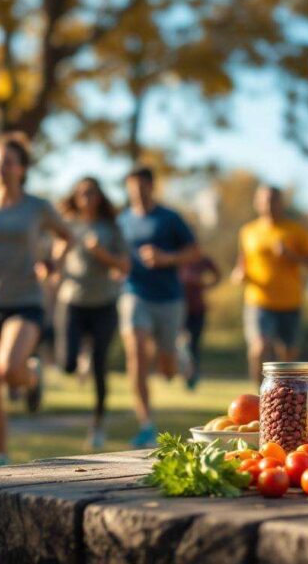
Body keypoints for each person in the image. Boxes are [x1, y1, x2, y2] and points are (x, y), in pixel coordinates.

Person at [0, 133, 73, 466]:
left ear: (21, 168)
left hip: (25, 300)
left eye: (7, 162)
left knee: (8, 369)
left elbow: (67, 236)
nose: (0, 168)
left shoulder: (38, 207)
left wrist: (54, 263)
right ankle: (1, 456)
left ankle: (31, 377)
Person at [118, 166, 200, 448]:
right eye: (132, 185)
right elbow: (116, 255)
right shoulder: (122, 220)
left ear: (152, 187)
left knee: (166, 370)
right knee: (136, 353)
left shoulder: (169, 218)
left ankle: (182, 361)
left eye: (143, 185)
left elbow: (195, 251)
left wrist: (166, 258)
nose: (137, 191)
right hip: (134, 293)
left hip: (168, 297)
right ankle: (146, 425)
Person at [54, 176, 130, 451]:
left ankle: (97, 426)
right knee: (67, 364)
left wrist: (101, 253)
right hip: (72, 302)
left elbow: (124, 265)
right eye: (81, 193)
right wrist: (60, 252)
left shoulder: (111, 227)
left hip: (104, 303)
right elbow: (54, 264)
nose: (86, 197)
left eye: (91, 192)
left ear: (99, 197)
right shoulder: (66, 225)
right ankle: (79, 357)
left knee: (100, 366)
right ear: (75, 197)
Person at [233, 185, 308, 383]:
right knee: (258, 348)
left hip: (290, 302)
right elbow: (242, 264)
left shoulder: (296, 230)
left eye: (273, 199)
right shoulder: (248, 231)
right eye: (264, 200)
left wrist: (291, 256)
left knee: (289, 357)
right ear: (257, 203)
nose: (269, 204)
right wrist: (239, 274)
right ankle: (259, 398)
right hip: (258, 301)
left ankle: (283, 397)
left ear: (281, 203)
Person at [179, 255, 221, 390]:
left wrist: (204, 284)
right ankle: (185, 372)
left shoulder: (202, 259)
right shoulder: (176, 256)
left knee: (194, 344)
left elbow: (217, 275)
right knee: (181, 343)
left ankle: (192, 377)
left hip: (198, 309)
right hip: (178, 308)